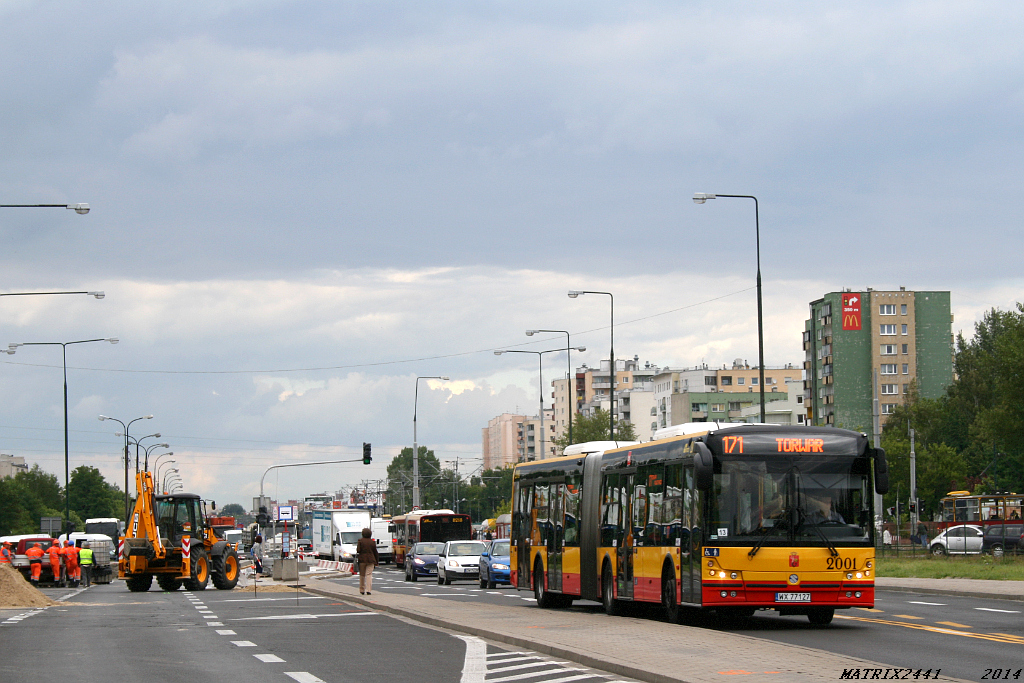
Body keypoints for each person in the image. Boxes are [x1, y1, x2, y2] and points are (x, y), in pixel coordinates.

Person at [356, 527, 378, 595]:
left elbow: (358, 550)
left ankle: (362, 590)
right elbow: (375, 552)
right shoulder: (372, 542)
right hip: (371, 559)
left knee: (362, 575)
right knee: (369, 574)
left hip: (362, 560)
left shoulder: (360, 541)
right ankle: (369, 590)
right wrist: (376, 561)